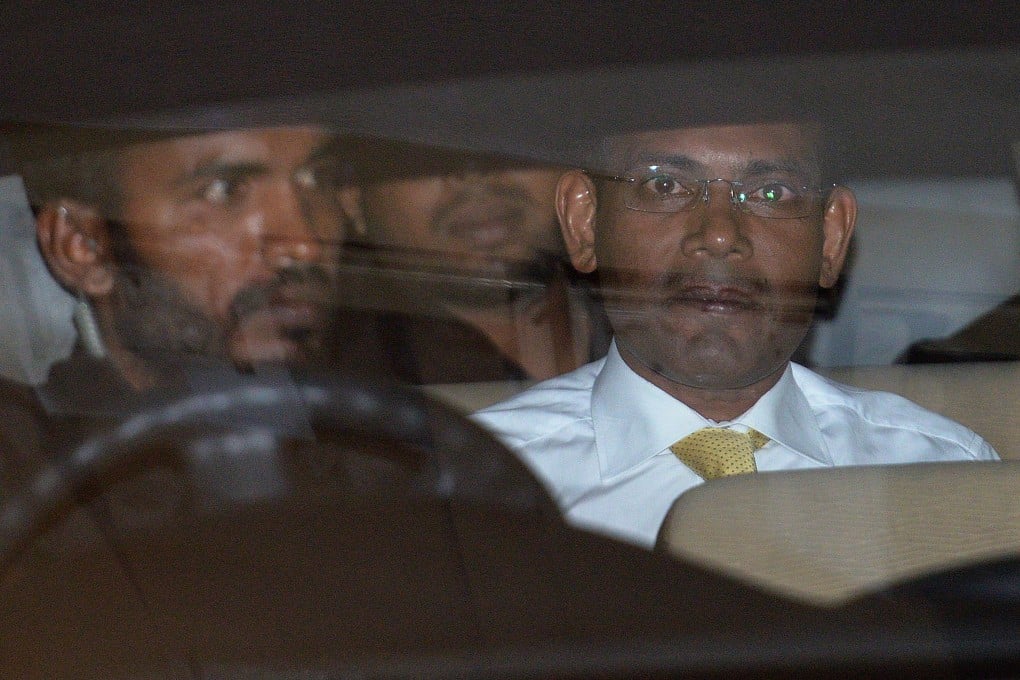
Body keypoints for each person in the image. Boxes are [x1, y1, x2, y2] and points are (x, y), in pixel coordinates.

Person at [473, 121, 999, 548]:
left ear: (831, 237)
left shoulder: (942, 472)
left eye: (771, 192)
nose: (720, 234)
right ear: (584, 222)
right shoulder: (478, 490)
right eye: (664, 186)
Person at [3, 124, 349, 486]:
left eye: (317, 178)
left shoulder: (384, 434)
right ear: (82, 246)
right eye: (223, 190)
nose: (305, 244)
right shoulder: (30, 478)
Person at [336, 139, 609, 383]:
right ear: (354, 201)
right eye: (422, 146)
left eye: (509, 133)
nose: (473, 173)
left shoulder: (641, 330)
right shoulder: (338, 392)